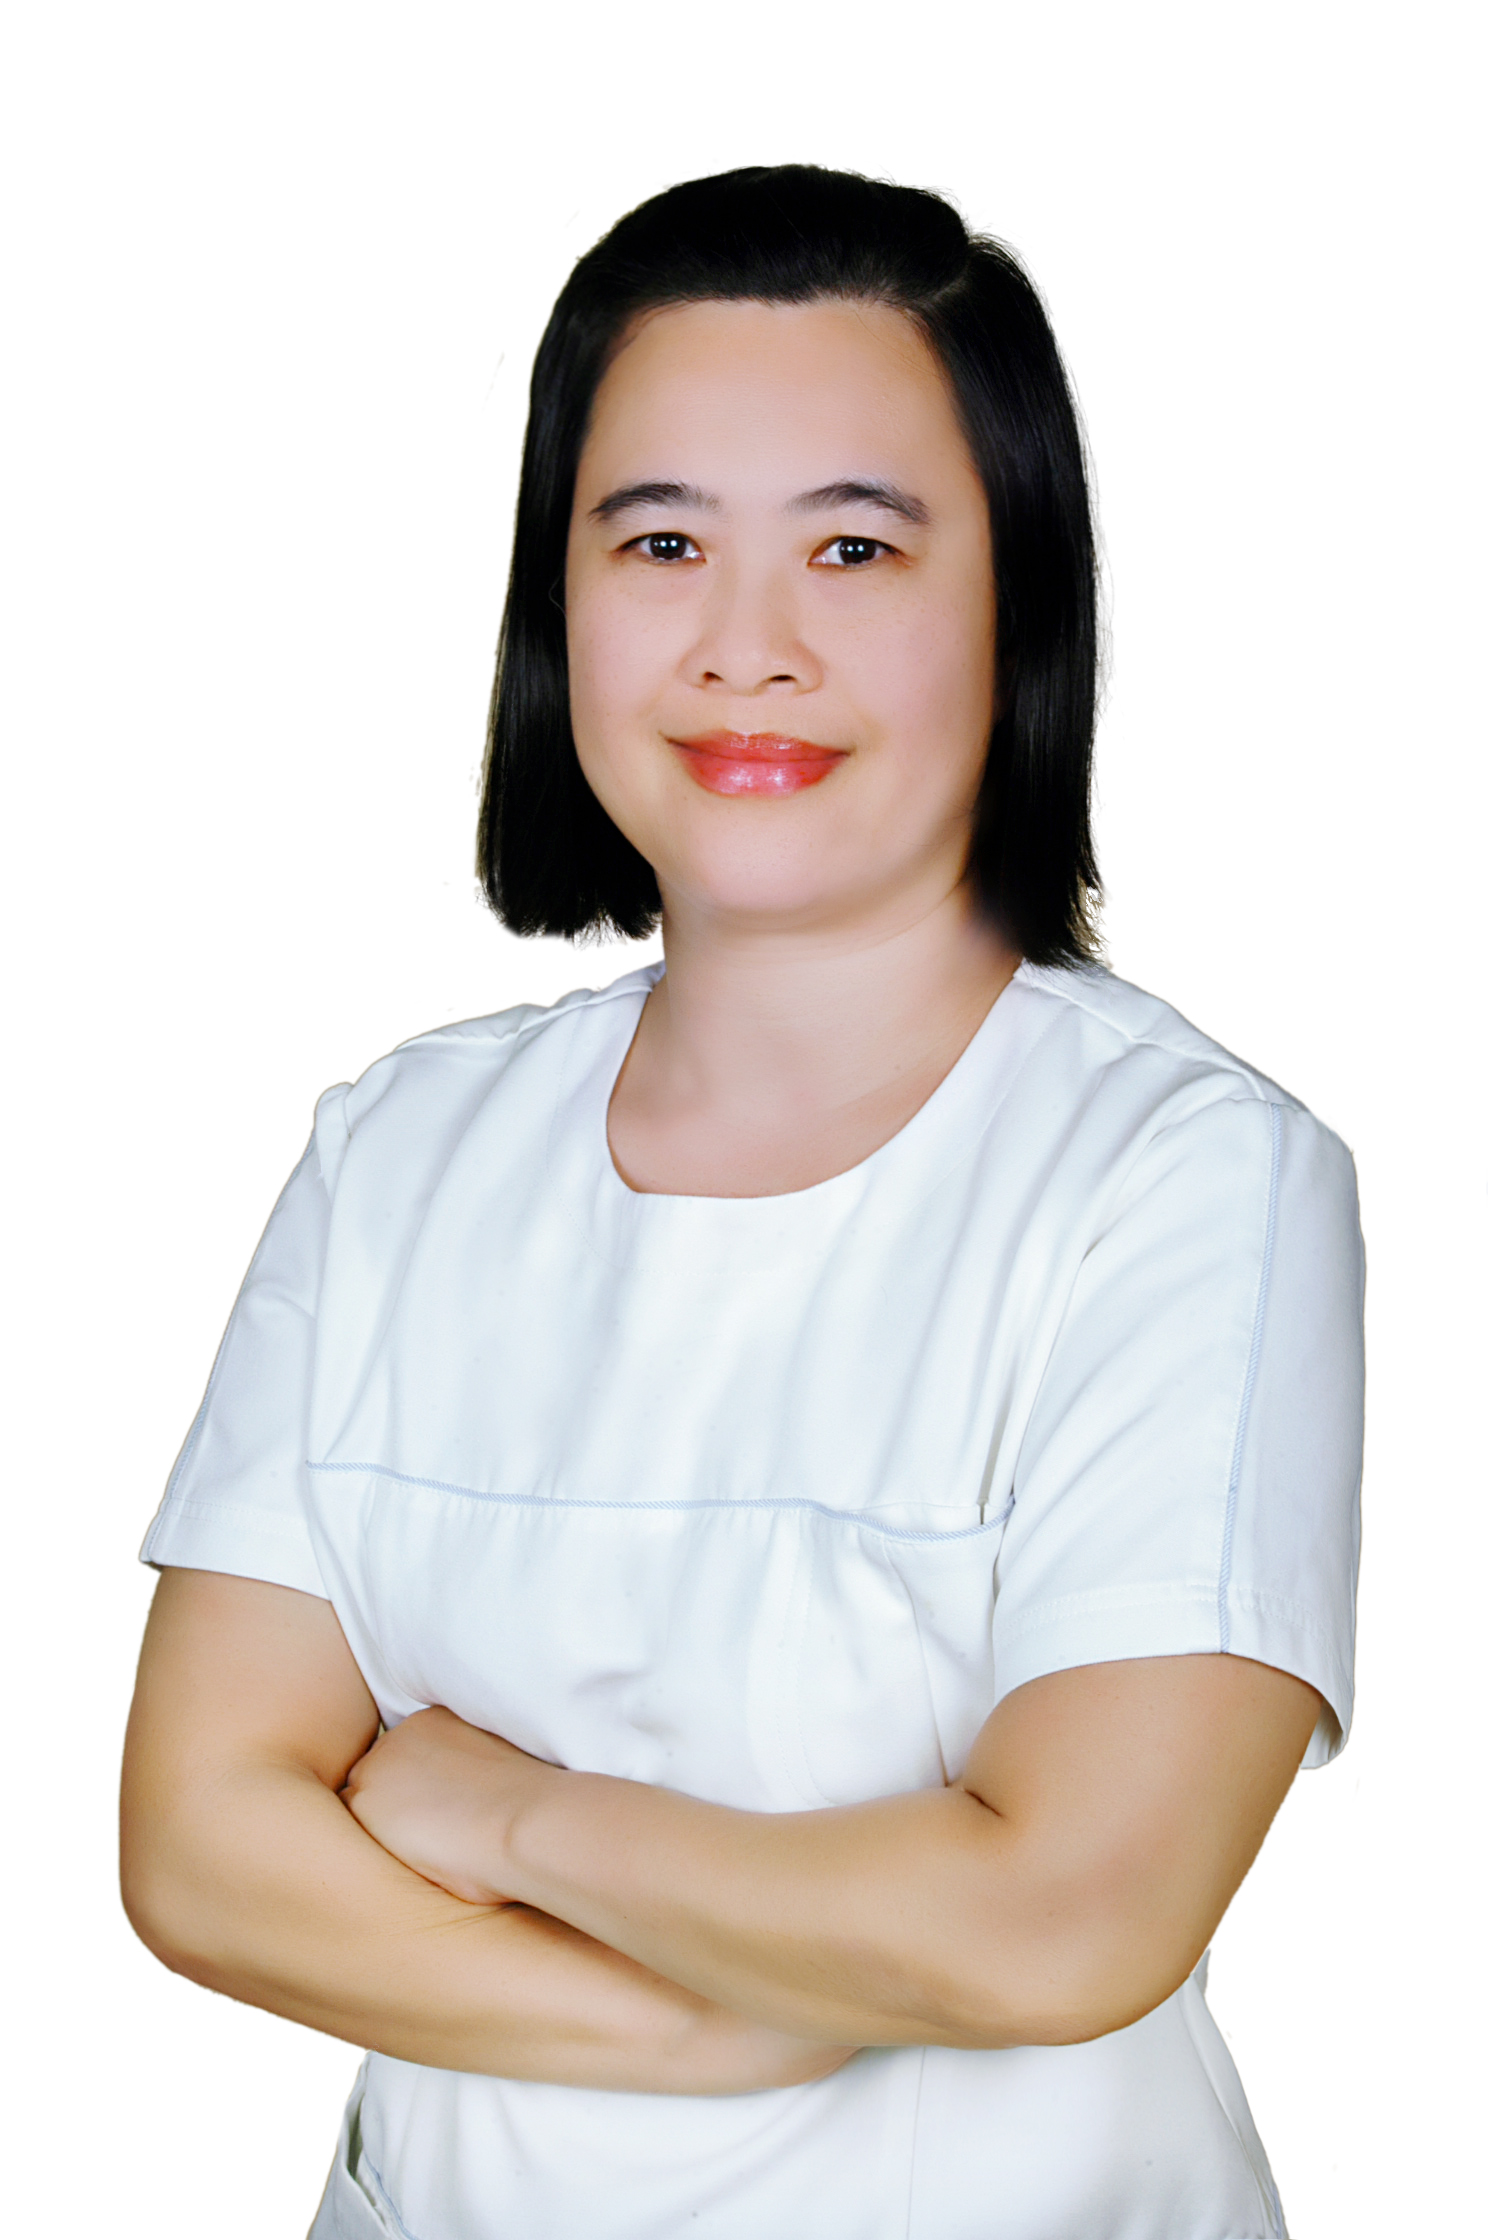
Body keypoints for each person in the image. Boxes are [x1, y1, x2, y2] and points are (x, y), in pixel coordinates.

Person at [121, 165, 1364, 2240]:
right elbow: (200, 1847)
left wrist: (506, 1813)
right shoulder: (400, 1149)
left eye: (856, 548)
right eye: (663, 542)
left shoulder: (1185, 1178)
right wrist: (720, 2022)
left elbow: (1061, 1920)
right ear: (558, 605)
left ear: (1021, 605)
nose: (747, 648)